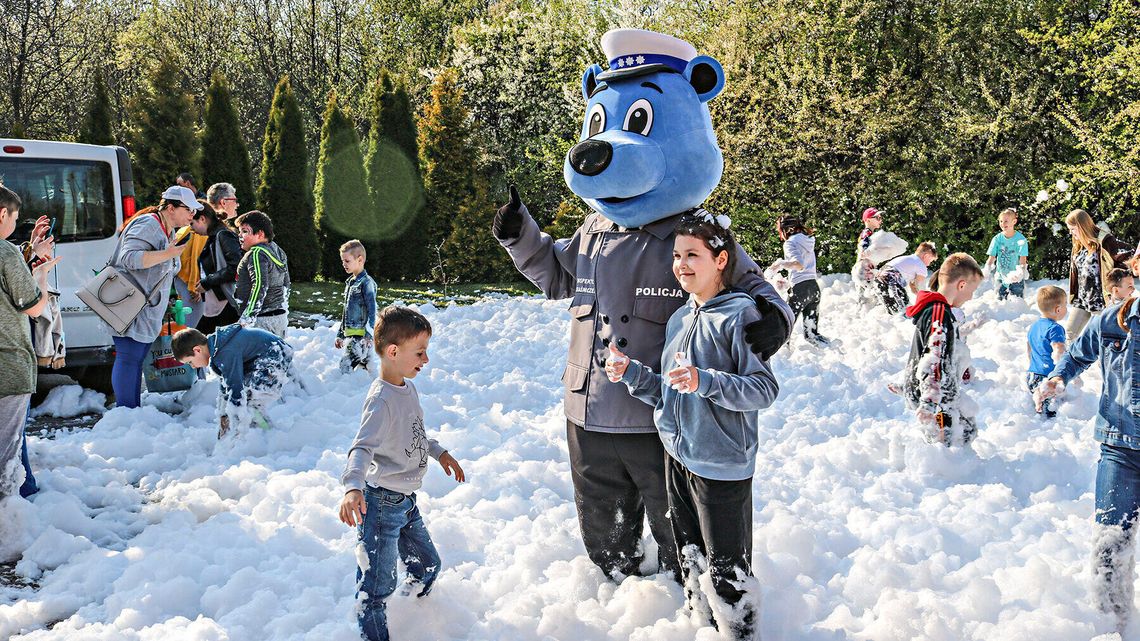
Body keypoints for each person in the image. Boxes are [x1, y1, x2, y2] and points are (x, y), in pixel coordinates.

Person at [606, 213, 776, 640]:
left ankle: (740, 634)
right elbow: (668, 392)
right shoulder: (680, 318)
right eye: (678, 255)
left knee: (728, 571)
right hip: (678, 456)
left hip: (721, 465)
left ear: (721, 260)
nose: (681, 264)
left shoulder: (741, 316)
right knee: (690, 557)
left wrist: (707, 381)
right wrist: (630, 372)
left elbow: (763, 389)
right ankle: (701, 627)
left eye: (693, 255)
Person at [337, 306, 466, 641]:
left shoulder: (406, 389)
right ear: (393, 352)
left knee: (427, 566)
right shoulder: (381, 400)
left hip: (405, 503)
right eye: (420, 352)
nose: (425, 360)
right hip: (379, 505)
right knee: (376, 591)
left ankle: (413, 612)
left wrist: (439, 451)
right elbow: (361, 448)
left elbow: (414, 431)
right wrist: (353, 487)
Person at [1036, 297, 1140, 630]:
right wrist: (1057, 378)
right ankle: (1114, 627)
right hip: (1119, 449)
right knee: (1110, 546)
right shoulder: (1112, 321)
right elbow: (1077, 354)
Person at [108, 186, 201, 408]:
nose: (193, 215)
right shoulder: (148, 224)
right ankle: (126, 411)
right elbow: (129, 258)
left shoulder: (166, 228)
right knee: (129, 358)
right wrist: (167, 254)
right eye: (189, 210)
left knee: (135, 359)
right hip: (128, 306)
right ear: (171, 208)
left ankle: (131, 410)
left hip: (143, 308)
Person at [0, 184, 61, 498]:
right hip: (8, 365)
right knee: (5, 458)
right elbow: (33, 305)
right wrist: (39, 276)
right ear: (2, 215)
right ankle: (12, 527)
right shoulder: (5, 251)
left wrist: (30, 254)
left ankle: (27, 490)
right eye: (14, 218)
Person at [903, 253, 984, 446]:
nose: (971, 297)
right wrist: (930, 400)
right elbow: (934, 356)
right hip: (936, 396)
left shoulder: (936, 310)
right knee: (952, 439)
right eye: (973, 290)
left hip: (935, 393)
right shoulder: (939, 312)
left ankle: (947, 466)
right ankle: (947, 471)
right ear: (962, 285)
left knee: (962, 431)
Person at [172, 325, 295, 438]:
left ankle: (268, 433)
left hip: (274, 356)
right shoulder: (217, 346)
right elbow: (226, 384)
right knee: (245, 400)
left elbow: (236, 387)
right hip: (265, 355)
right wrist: (224, 413)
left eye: (190, 362)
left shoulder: (225, 353)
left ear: (197, 350)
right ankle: (257, 433)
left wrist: (234, 419)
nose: (192, 366)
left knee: (251, 403)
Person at [1065, 208, 1132, 338]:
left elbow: (1128, 257)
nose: (1071, 232)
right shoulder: (1078, 244)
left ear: (1082, 226)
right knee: (1069, 334)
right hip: (1083, 300)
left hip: (1101, 301)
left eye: (1073, 228)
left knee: (1104, 337)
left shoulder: (1105, 241)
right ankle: (1068, 358)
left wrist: (1117, 281)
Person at [770, 216, 829, 346]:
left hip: (800, 292)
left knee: (783, 329)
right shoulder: (806, 240)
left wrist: (780, 264)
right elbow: (804, 269)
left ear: (787, 229)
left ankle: (782, 362)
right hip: (814, 289)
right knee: (812, 335)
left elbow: (799, 264)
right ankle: (833, 351)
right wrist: (787, 281)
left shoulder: (790, 242)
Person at [233, 210, 290, 338]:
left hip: (261, 320)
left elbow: (259, 284)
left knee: (258, 357)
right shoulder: (278, 251)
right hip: (279, 317)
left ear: (260, 234)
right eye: (239, 231)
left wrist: (248, 317)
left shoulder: (257, 253)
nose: (240, 235)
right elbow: (286, 285)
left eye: (245, 231)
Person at [191, 206, 242, 335]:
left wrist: (206, 282)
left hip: (226, 302)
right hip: (216, 304)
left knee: (197, 344)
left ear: (202, 219)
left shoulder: (223, 235)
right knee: (198, 344)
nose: (191, 229)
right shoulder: (214, 237)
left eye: (192, 223)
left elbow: (235, 268)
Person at [335, 240, 377, 373]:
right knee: (365, 369)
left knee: (345, 366)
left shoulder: (366, 283)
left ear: (360, 259)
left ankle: (345, 391)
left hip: (361, 337)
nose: (343, 264)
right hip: (351, 335)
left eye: (347, 261)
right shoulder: (351, 283)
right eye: (342, 261)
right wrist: (340, 334)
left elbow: (372, 310)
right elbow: (346, 312)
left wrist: (369, 334)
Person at [1026, 285, 1068, 419]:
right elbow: (1059, 349)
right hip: (1048, 379)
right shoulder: (1055, 328)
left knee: (1040, 413)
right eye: (1066, 305)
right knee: (1052, 413)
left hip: (1033, 375)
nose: (1067, 309)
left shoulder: (1034, 326)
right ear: (1058, 309)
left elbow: (1029, 347)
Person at [171, 200, 210, 330]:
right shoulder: (197, 233)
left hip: (181, 280)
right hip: (191, 285)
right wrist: (195, 287)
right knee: (192, 328)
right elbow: (195, 260)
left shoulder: (184, 230)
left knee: (186, 325)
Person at [876, 242, 938, 315]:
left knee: (891, 310)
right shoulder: (921, 265)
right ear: (926, 256)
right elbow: (921, 290)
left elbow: (914, 288)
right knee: (902, 311)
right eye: (930, 261)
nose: (929, 264)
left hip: (878, 279)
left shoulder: (909, 260)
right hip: (890, 281)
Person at [983, 207, 1029, 300]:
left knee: (1017, 301)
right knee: (999, 301)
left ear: (1014, 222)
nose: (1003, 224)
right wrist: (987, 269)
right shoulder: (997, 239)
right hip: (1000, 277)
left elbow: (1023, 259)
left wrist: (1021, 271)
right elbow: (992, 257)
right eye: (1001, 221)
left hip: (1016, 277)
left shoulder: (1020, 239)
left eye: (1006, 221)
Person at [855, 207, 883, 283]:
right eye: (877, 218)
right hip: (864, 271)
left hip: (865, 270)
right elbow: (863, 248)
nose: (880, 220)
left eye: (880, 218)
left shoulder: (870, 233)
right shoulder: (867, 233)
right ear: (868, 220)